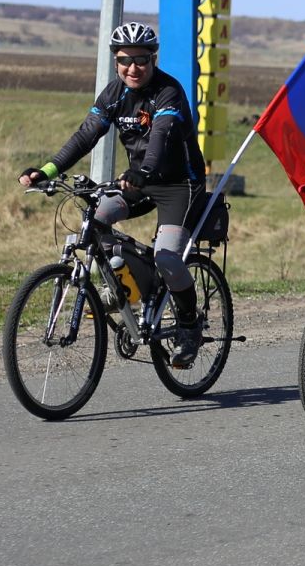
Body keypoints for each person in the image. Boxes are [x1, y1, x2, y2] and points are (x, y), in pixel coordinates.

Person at [20, 22, 206, 367]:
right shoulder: (114, 94)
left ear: (153, 59)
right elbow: (85, 135)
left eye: (141, 60)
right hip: (136, 182)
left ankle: (189, 325)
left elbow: (161, 138)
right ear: (115, 60)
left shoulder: (169, 92)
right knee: (95, 225)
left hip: (180, 185)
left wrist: (142, 172)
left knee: (167, 258)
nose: (132, 68)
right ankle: (132, 286)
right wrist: (46, 171)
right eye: (124, 60)